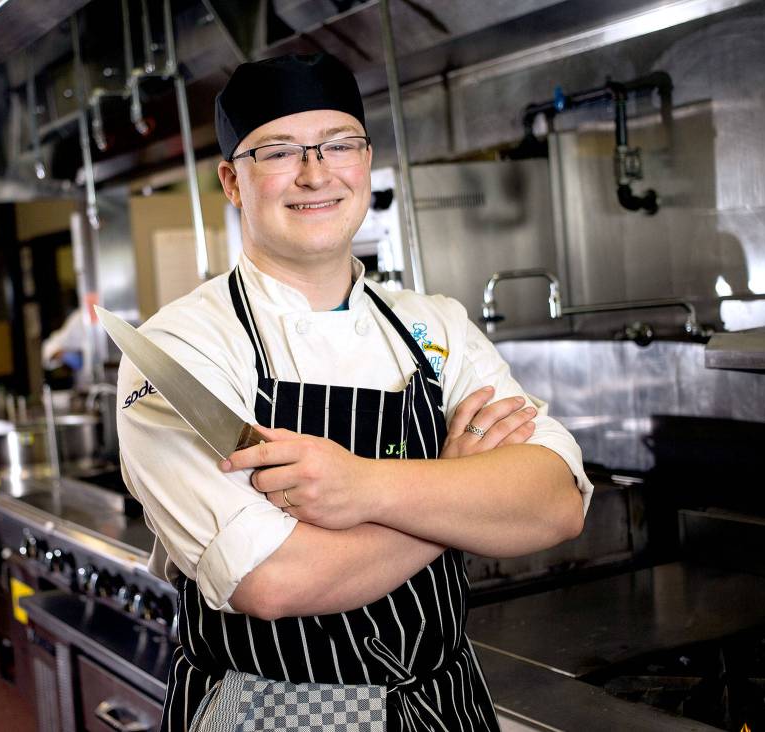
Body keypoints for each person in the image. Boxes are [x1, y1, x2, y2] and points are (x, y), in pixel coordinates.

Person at [116, 53, 593, 731]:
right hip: (273, 713)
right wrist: (456, 492)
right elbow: (272, 580)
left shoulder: (435, 325)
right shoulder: (181, 349)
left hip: (441, 702)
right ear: (231, 180)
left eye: (340, 144)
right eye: (279, 151)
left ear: (366, 161)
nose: (316, 173)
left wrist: (364, 487)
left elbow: (556, 502)